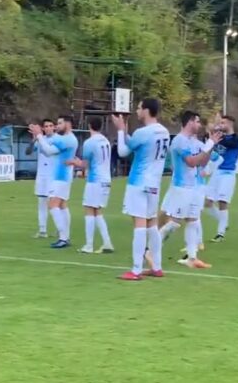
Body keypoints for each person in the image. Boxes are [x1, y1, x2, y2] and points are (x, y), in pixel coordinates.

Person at [112, 99, 170, 281]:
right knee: (152, 224)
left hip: (138, 182)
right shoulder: (164, 131)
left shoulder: (143, 132)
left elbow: (123, 152)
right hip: (154, 183)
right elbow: (137, 145)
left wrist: (120, 130)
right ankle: (157, 267)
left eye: (139, 108)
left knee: (139, 225)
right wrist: (125, 132)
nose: (137, 111)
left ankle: (136, 270)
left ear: (146, 110)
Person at [157, 111, 220, 268]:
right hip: (181, 187)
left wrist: (211, 145)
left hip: (194, 188)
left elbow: (203, 162)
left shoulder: (194, 142)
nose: (199, 125)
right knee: (174, 223)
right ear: (190, 122)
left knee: (192, 221)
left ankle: (192, 258)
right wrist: (208, 145)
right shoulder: (179, 141)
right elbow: (191, 162)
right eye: (197, 121)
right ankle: (151, 249)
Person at [29, 115, 79, 249]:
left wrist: (39, 135)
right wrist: (38, 137)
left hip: (60, 176)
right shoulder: (66, 138)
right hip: (62, 176)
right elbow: (47, 151)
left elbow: (49, 151)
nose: (57, 126)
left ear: (68, 124)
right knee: (62, 205)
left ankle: (63, 237)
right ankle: (65, 236)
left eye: (60, 123)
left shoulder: (68, 139)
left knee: (53, 205)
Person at [67, 117, 114, 255]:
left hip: (95, 180)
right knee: (97, 211)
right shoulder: (105, 141)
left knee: (89, 209)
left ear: (89, 126)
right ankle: (107, 242)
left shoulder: (90, 142)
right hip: (106, 179)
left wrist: (74, 162)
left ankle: (89, 245)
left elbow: (85, 164)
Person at [205, 115, 238, 243]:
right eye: (220, 123)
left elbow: (226, 142)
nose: (221, 125)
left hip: (227, 173)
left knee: (222, 202)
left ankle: (220, 234)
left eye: (223, 123)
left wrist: (215, 130)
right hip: (216, 172)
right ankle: (224, 223)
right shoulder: (220, 137)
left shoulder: (235, 139)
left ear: (230, 124)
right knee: (207, 203)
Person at [26, 119, 55, 238]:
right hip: (42, 175)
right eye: (46, 126)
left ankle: (61, 229)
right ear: (43, 128)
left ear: (54, 127)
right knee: (41, 202)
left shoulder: (57, 140)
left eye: (50, 126)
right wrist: (34, 139)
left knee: (54, 204)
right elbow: (28, 152)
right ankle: (42, 230)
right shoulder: (40, 140)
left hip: (53, 176)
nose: (48, 128)